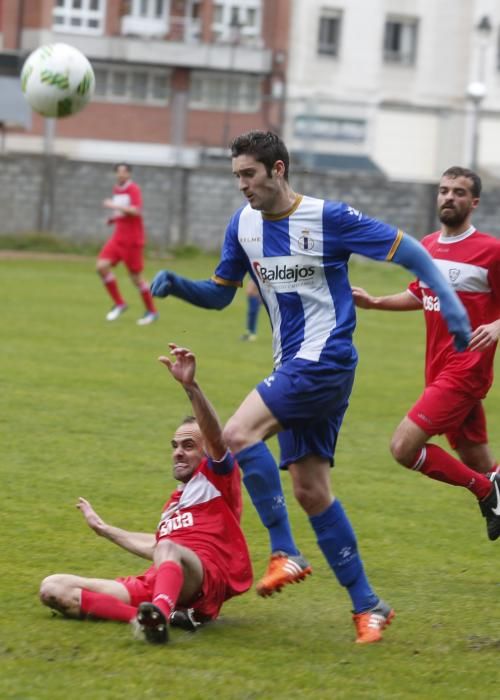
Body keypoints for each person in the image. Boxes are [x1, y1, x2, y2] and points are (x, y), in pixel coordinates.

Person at [150, 131, 472, 643]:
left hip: (325, 359)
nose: (241, 185)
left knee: (232, 438)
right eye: (236, 176)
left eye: (249, 174)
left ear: (278, 170)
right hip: (297, 365)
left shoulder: (329, 217)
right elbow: (219, 295)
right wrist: (180, 286)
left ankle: (285, 550)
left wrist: (453, 310)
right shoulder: (244, 225)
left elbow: (411, 252)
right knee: (311, 490)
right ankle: (369, 606)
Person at [39, 344, 253, 644]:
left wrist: (191, 387)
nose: (178, 452)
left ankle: (161, 614)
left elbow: (215, 436)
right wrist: (104, 529)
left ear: (207, 454)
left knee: (169, 547)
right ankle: (152, 618)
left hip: (204, 577)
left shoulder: (218, 479)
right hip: (163, 581)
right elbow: (156, 547)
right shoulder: (173, 505)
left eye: (188, 446)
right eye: (175, 446)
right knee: (53, 588)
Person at [352, 166, 500, 541]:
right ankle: (491, 484)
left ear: (474, 202)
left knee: (403, 447)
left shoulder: (491, 251)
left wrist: (497, 326)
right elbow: (421, 293)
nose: (449, 197)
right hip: (438, 370)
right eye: (444, 190)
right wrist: (375, 303)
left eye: (459, 192)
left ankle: (486, 492)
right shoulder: (429, 246)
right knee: (478, 459)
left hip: (465, 370)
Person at [96, 162, 159, 325]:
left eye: (124, 172)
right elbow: (123, 213)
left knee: (136, 278)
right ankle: (119, 303)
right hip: (118, 238)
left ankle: (152, 312)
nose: (121, 175)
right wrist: (113, 218)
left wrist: (112, 205)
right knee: (101, 266)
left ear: (129, 174)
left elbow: (135, 210)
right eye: (119, 172)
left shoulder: (133, 189)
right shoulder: (117, 189)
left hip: (133, 240)